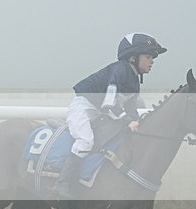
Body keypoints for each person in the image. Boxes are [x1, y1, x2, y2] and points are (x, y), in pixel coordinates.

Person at [53, 32, 167, 199]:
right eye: (148, 56)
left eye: (153, 57)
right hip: (84, 108)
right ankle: (62, 183)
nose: (152, 61)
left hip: (100, 113)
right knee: (86, 142)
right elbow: (109, 104)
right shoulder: (120, 70)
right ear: (133, 57)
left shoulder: (134, 80)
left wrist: (137, 123)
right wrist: (128, 121)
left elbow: (131, 110)